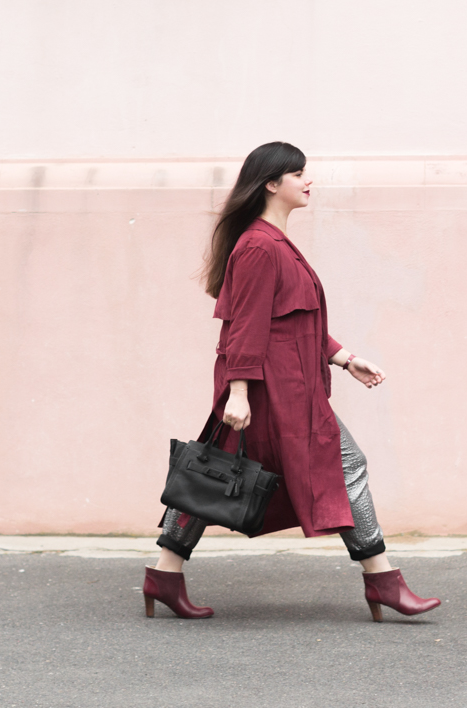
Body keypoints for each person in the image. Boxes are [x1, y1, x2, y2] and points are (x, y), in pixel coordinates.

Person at [142, 141, 440, 622]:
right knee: (347, 465)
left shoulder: (273, 242)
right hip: (273, 390)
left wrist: (344, 358)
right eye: (299, 173)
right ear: (271, 184)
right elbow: (247, 324)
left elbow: (294, 323)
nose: (309, 180)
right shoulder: (260, 245)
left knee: (212, 471)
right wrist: (239, 390)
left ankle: (164, 575)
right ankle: (382, 580)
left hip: (287, 385)